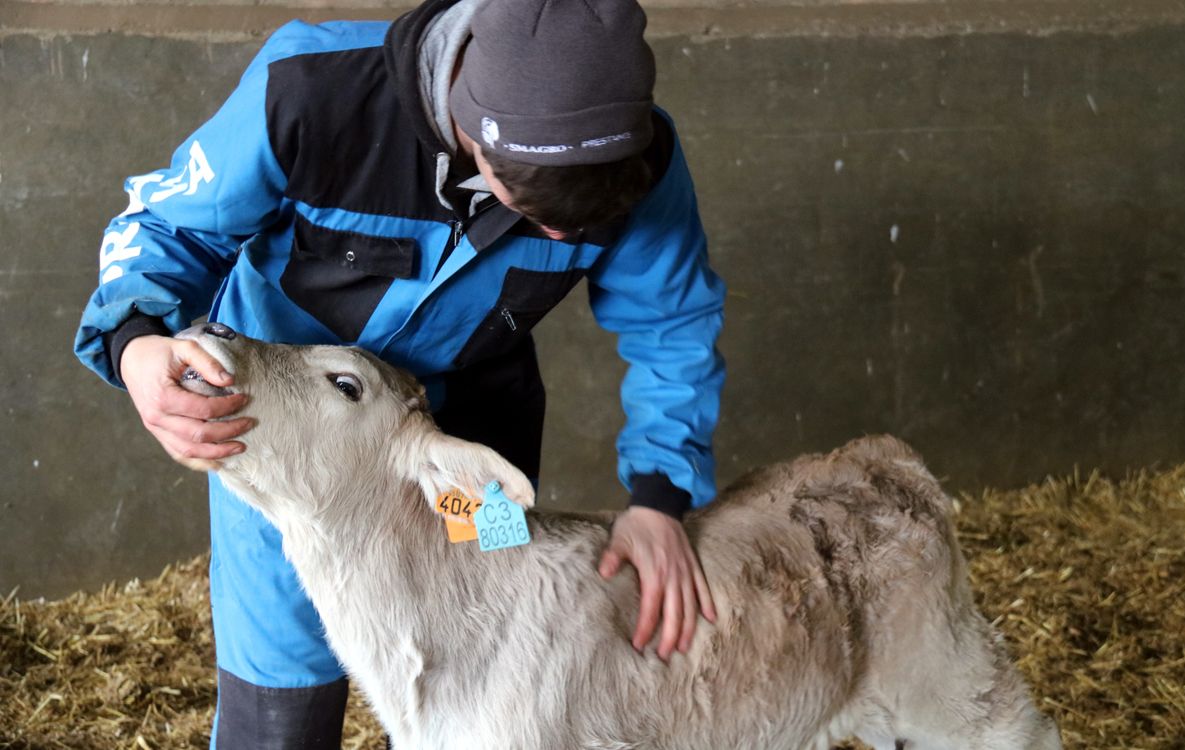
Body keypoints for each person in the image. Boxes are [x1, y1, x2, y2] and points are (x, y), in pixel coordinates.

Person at [74, 0, 727, 745]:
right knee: (278, 706)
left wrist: (660, 498)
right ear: (470, 128)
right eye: (536, 212)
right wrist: (134, 342)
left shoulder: (645, 166)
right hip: (293, 437)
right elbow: (162, 225)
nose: (560, 236)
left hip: (470, 443)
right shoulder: (312, 91)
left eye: (582, 223)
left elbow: (671, 321)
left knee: (494, 657)